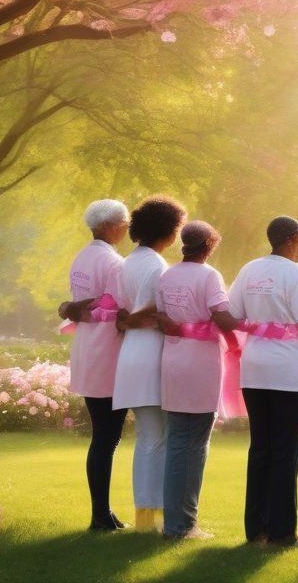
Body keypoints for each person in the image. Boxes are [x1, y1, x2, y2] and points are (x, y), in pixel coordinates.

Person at [228, 215, 298, 547]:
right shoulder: (296, 274)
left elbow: (231, 315)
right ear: (293, 239)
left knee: (260, 449)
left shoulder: (250, 270)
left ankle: (256, 530)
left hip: (255, 368)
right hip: (288, 372)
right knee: (285, 452)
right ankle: (283, 532)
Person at [155, 222, 240, 540]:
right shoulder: (209, 276)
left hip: (173, 361)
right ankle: (184, 525)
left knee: (177, 441)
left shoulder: (168, 276)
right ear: (208, 245)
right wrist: (244, 331)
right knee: (196, 444)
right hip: (200, 363)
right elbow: (221, 314)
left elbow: (164, 319)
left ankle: (174, 522)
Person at [112, 195, 187, 532]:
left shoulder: (127, 262)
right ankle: (152, 517)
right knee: (158, 439)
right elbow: (159, 310)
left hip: (130, 354)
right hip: (151, 353)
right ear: (168, 232)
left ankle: (147, 514)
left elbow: (123, 308)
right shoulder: (157, 266)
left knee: (147, 438)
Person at [58, 199, 130, 531]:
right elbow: (125, 308)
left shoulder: (82, 258)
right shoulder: (114, 263)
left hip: (88, 348)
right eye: (124, 223)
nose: (127, 229)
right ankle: (100, 513)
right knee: (107, 436)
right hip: (107, 353)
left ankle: (101, 510)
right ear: (111, 226)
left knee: (102, 434)